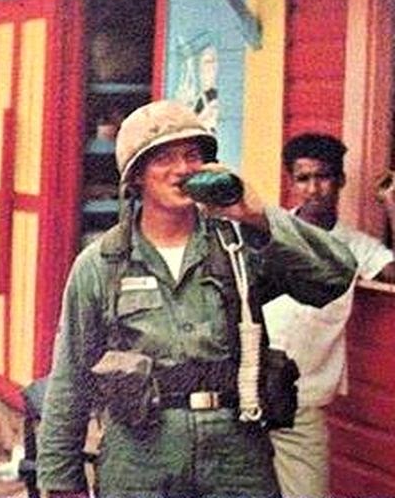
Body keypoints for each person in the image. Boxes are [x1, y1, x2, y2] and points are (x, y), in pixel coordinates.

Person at [37, 100, 357, 498]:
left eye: (192, 156)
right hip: (139, 457)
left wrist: (258, 216)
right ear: (135, 176)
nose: (182, 169)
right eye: (163, 159)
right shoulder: (101, 264)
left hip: (235, 455)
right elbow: (71, 377)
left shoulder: (237, 246)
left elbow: (334, 277)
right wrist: (61, 483)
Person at [264, 133, 395, 498]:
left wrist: (391, 203)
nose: (312, 189)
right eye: (303, 178)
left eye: (322, 177)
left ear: (340, 180)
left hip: (302, 403)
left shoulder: (358, 247)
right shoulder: (268, 229)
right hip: (245, 392)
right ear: (291, 182)